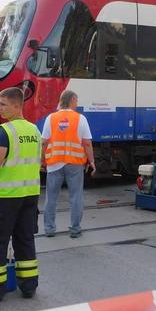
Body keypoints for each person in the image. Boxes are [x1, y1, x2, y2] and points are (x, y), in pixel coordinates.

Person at [0, 88, 41, 302]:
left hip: (5, 197)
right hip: (30, 195)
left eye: (2, 104)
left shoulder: (5, 131)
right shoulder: (34, 130)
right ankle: (29, 286)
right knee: (25, 239)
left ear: (16, 105)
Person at [41, 90, 96, 238]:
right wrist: (91, 161)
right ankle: (75, 229)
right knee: (76, 197)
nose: (77, 104)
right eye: (76, 101)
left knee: (51, 197)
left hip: (54, 163)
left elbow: (44, 142)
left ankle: (49, 229)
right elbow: (87, 143)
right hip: (75, 164)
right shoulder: (81, 119)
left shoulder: (51, 118)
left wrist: (42, 161)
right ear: (72, 100)